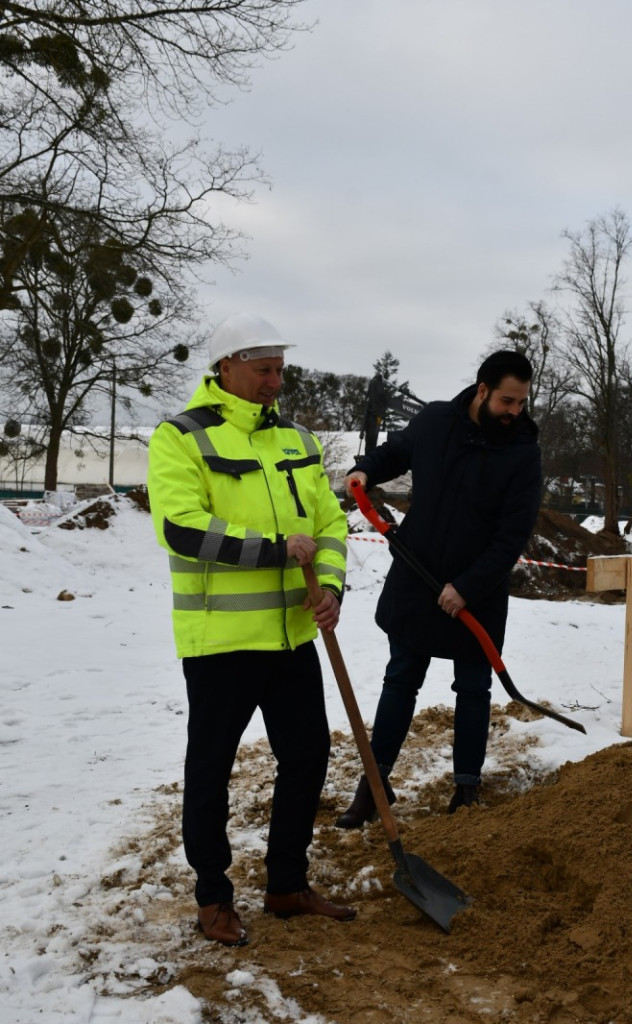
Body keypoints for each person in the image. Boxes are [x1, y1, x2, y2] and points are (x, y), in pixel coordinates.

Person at [147, 312, 355, 947]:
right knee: (211, 768)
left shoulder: (296, 440)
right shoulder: (181, 437)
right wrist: (271, 549)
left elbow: (329, 527)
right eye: (263, 369)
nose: (275, 381)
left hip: (292, 635)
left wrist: (334, 588)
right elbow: (181, 527)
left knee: (308, 755)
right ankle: (213, 895)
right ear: (226, 368)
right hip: (222, 643)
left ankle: (286, 884)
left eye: (279, 369)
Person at [336, 350, 542, 827]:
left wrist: (467, 587)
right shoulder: (434, 421)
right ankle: (373, 784)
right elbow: (396, 452)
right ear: (483, 390)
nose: (516, 412)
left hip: (477, 590)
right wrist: (367, 468)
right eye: (508, 401)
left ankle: (466, 789)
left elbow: (512, 536)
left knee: (473, 688)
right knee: (401, 677)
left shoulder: (523, 453)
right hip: (417, 573)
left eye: (522, 403)